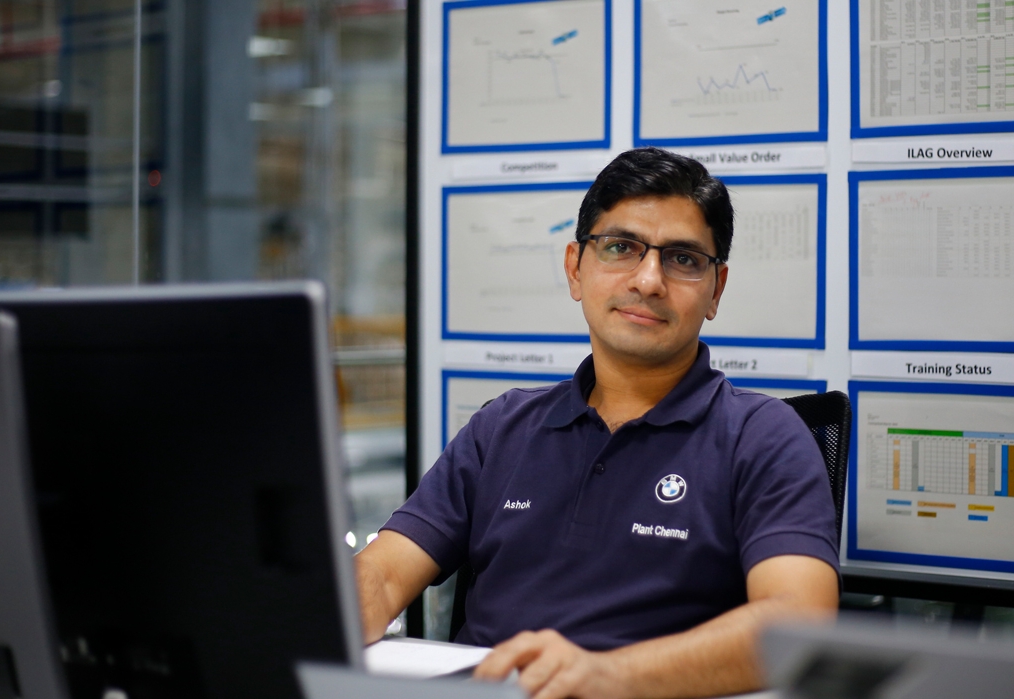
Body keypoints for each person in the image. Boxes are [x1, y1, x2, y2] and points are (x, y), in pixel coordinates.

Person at [355, 147, 839, 699]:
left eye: (682, 259)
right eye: (620, 248)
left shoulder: (764, 436)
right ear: (575, 269)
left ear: (716, 290)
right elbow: (386, 573)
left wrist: (608, 675)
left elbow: (799, 625)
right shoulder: (502, 428)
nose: (649, 280)